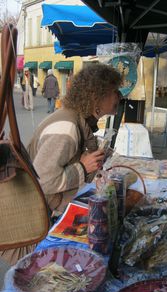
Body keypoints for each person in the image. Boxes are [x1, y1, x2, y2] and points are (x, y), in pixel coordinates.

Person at [27, 63, 122, 218]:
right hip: (44, 215)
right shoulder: (66, 128)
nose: (120, 96)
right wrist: (83, 168)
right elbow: (43, 182)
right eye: (115, 91)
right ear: (96, 95)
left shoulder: (76, 118)